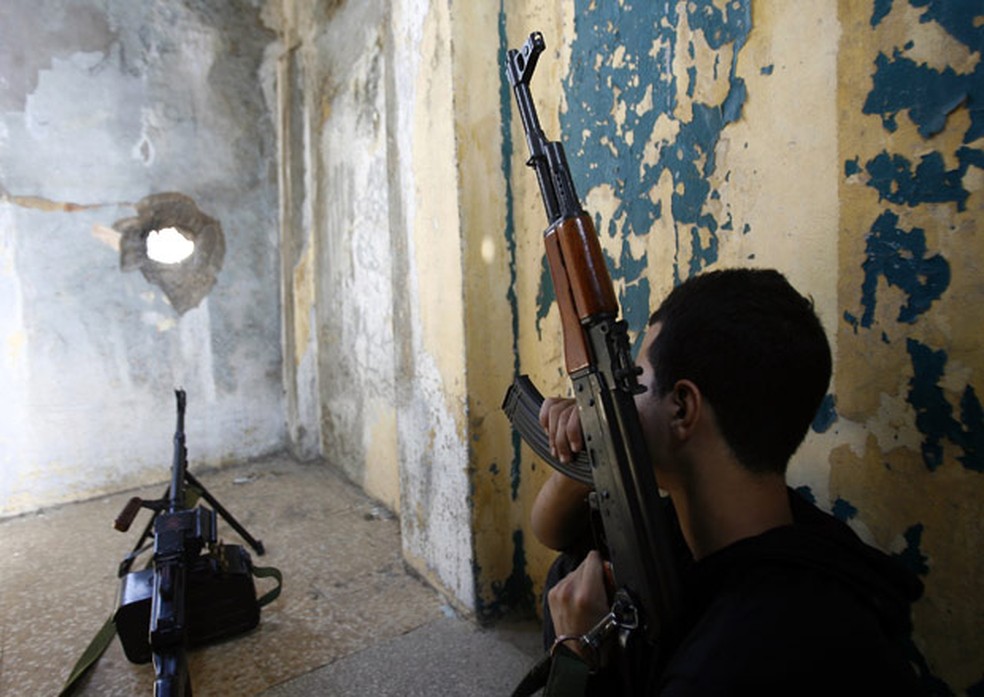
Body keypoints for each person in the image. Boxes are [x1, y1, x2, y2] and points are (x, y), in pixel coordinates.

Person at [531, 268, 925, 695]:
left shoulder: (729, 662)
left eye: (634, 381)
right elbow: (556, 537)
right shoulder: (773, 536)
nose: (623, 401)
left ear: (682, 408)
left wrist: (576, 657)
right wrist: (594, 439)